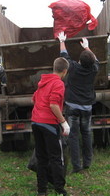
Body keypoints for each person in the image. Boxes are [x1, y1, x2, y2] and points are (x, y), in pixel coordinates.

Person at [58, 31, 99, 173]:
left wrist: (62, 40)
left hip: (72, 107)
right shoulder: (94, 69)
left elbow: (64, 56)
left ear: (80, 61)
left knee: (73, 136)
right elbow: (94, 60)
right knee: (87, 133)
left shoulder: (73, 68)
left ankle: (77, 166)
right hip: (87, 107)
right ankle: (87, 162)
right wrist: (87, 47)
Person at [31, 57, 70, 196]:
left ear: (54, 68)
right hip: (49, 124)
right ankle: (60, 190)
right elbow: (53, 104)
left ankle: (42, 191)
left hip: (35, 122)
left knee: (41, 158)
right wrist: (63, 122)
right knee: (56, 158)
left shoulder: (43, 82)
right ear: (64, 71)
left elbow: (34, 98)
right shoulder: (58, 84)